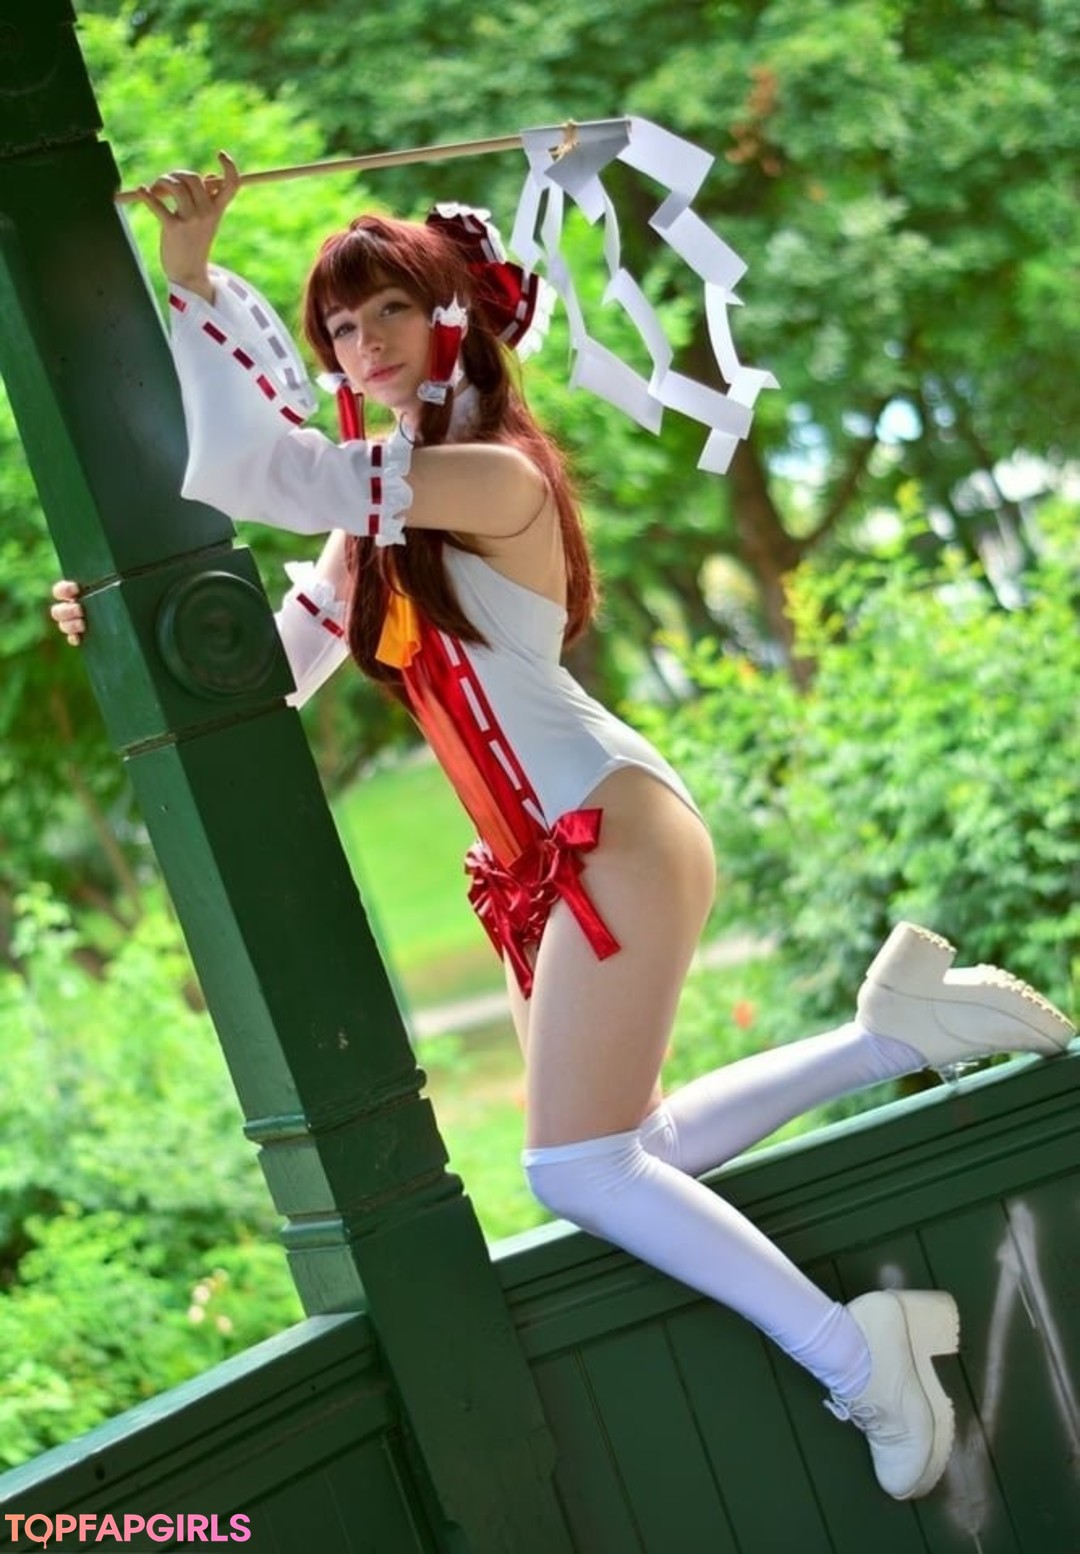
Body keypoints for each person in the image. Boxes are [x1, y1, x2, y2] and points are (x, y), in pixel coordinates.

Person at [50, 154, 1075, 1503]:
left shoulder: (490, 477)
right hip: (542, 862)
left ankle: (860, 1355)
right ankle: (894, 1031)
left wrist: (187, 276)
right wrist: (115, 619)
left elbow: (277, 472)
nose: (362, 345)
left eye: (389, 311)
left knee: (573, 1165)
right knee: (626, 1146)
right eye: (340, 328)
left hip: (607, 827)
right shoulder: (382, 524)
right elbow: (269, 673)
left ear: (453, 316)